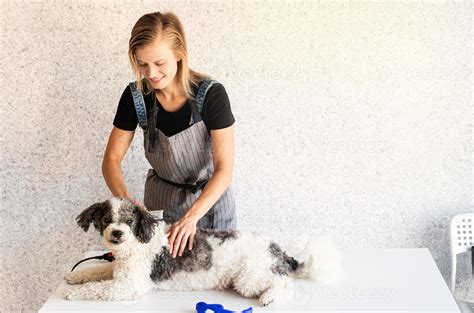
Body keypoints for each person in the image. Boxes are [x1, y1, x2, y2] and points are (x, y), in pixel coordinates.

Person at [102, 11, 237, 259]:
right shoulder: (135, 97)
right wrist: (126, 201)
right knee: (164, 278)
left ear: (179, 52)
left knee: (217, 275)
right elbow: (111, 159)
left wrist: (192, 216)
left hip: (210, 203)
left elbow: (224, 169)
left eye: (159, 63)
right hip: (162, 201)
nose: (150, 73)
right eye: (142, 64)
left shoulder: (212, 95)